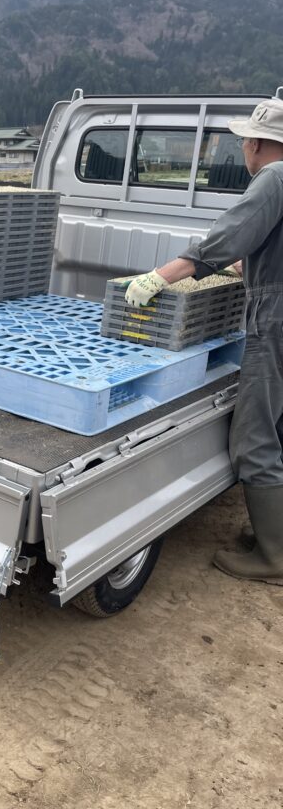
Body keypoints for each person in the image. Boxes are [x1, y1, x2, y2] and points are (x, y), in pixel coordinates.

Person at [124, 95, 283, 586]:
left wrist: (161, 275)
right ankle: (274, 535)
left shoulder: (274, 178)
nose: (244, 150)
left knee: (255, 435)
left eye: (245, 142)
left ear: (256, 144)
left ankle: (274, 559)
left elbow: (225, 238)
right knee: (279, 425)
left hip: (277, 321)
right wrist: (245, 267)